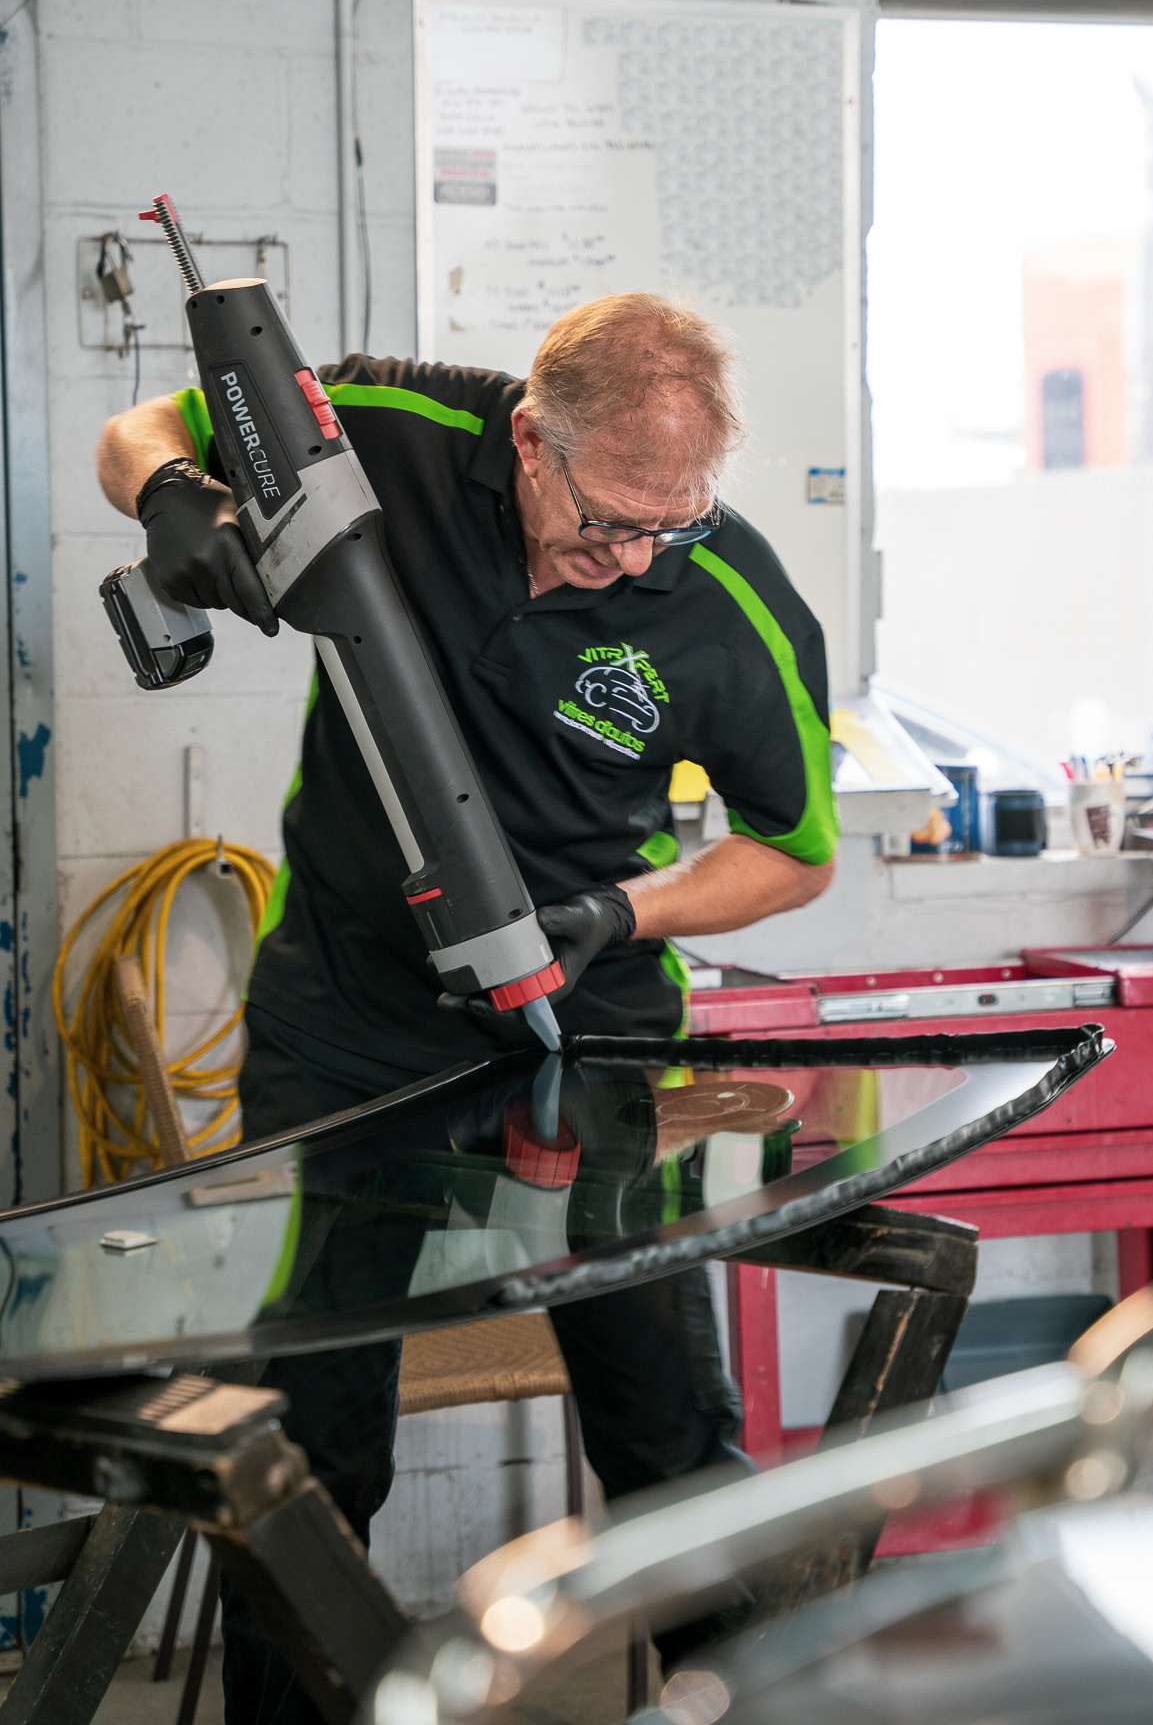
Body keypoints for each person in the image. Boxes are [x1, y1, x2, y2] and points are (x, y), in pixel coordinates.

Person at [96, 291, 838, 1723]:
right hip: (346, 1025)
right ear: (531, 442)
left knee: (667, 1439)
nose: (636, 556)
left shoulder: (727, 599)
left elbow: (792, 853)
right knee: (304, 1454)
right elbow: (142, 428)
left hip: (581, 1029)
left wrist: (621, 913)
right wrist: (171, 496)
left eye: (672, 525)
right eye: (609, 519)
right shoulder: (398, 427)